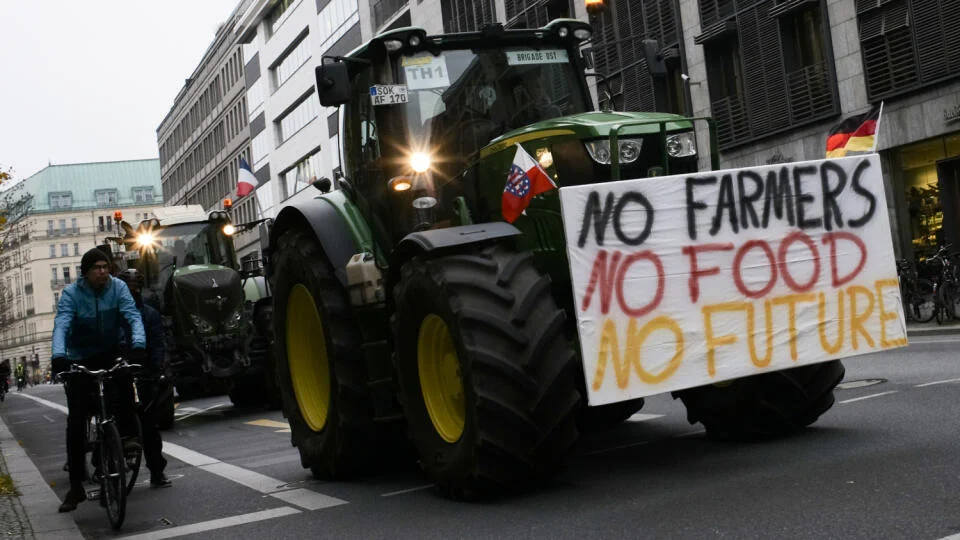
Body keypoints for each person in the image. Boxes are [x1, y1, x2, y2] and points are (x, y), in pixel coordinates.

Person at [51, 248, 147, 513]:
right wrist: (59, 357)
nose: (103, 271)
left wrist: (138, 346)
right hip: (80, 357)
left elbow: (132, 316)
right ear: (85, 272)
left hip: (110, 351)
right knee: (76, 420)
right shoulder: (72, 294)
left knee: (125, 384)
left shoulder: (118, 289)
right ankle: (75, 486)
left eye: (106, 266)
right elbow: (62, 325)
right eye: (97, 267)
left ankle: (126, 437)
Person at [116, 269, 172, 489]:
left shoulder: (149, 314)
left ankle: (157, 471)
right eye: (129, 287)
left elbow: (158, 342)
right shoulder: (115, 314)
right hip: (120, 369)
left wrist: (157, 367)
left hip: (144, 371)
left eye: (136, 287)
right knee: (115, 417)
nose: (133, 291)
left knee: (149, 426)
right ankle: (105, 467)